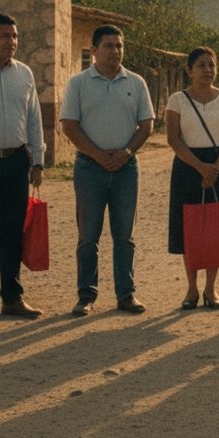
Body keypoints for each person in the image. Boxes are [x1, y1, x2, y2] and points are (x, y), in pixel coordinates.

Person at [61, 25, 154, 316]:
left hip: (126, 168)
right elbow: (69, 125)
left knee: (124, 236)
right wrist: (98, 155)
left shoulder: (136, 82)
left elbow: (146, 124)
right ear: (94, 50)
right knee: (88, 236)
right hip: (90, 168)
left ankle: (126, 295)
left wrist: (126, 153)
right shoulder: (78, 83)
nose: (115, 51)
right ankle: (86, 296)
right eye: (109, 46)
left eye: (119, 46)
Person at [165, 47, 219, 310]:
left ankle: (211, 288)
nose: (207, 70)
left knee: (215, 230)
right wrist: (199, 167)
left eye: (211, 65)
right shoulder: (178, 100)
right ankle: (191, 289)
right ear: (190, 70)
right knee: (190, 231)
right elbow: (173, 139)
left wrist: (214, 169)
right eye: (201, 65)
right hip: (187, 169)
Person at [0, 13, 45, 318]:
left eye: (15, 36)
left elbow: (34, 119)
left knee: (11, 235)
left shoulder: (24, 74)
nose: (12, 42)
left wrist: (38, 161)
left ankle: (12, 298)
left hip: (15, 164)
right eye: (5, 36)